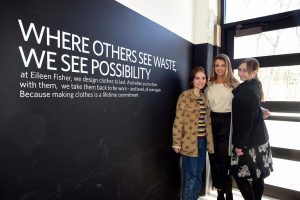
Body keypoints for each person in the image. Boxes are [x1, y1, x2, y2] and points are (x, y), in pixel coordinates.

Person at [230, 58, 273, 200]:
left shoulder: (249, 90)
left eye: (244, 70)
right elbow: (251, 110)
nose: (240, 73)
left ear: (254, 72)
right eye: (240, 70)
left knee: (238, 174)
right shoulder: (251, 86)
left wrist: (239, 146)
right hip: (259, 140)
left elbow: (245, 122)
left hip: (250, 143)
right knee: (257, 176)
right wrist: (261, 110)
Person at [172, 66, 214, 200]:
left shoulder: (204, 97)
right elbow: (178, 120)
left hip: (203, 141)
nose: (200, 81)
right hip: (190, 141)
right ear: (192, 80)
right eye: (197, 78)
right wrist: (176, 142)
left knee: (198, 174)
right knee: (189, 175)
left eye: (203, 78)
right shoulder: (185, 96)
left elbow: (206, 122)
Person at [205, 54, 239, 200]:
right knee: (214, 160)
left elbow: (246, 104)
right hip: (212, 122)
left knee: (225, 160)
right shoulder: (208, 84)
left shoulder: (235, 85)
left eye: (222, 65)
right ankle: (220, 193)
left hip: (228, 122)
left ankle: (229, 193)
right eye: (216, 65)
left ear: (228, 67)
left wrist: (261, 110)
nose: (219, 68)